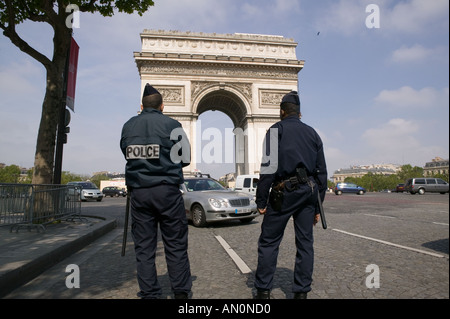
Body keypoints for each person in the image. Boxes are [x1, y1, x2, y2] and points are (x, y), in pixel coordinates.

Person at [120, 84, 192, 299]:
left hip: (140, 193)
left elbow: (127, 152)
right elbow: (185, 158)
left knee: (144, 248)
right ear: (162, 106)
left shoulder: (128, 126)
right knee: (176, 245)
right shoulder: (173, 125)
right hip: (167, 192)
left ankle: (150, 294)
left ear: (141, 106)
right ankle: (180, 293)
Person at [254, 91, 327, 299]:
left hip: (283, 193)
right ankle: (301, 293)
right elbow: (322, 172)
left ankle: (263, 291)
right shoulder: (313, 133)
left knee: (269, 242)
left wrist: (261, 200)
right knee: (305, 244)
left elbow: (268, 169)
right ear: (300, 113)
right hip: (308, 193)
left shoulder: (274, 131)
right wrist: (317, 205)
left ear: (281, 111)